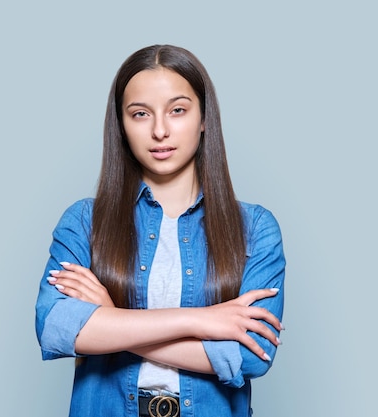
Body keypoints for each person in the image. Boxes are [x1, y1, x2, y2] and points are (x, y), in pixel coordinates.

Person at [35, 44, 286, 417]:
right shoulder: (85, 222)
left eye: (178, 110)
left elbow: (250, 355)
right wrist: (199, 320)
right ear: (121, 124)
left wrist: (111, 318)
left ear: (204, 119)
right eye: (140, 114)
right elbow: (57, 327)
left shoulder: (255, 228)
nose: (160, 130)